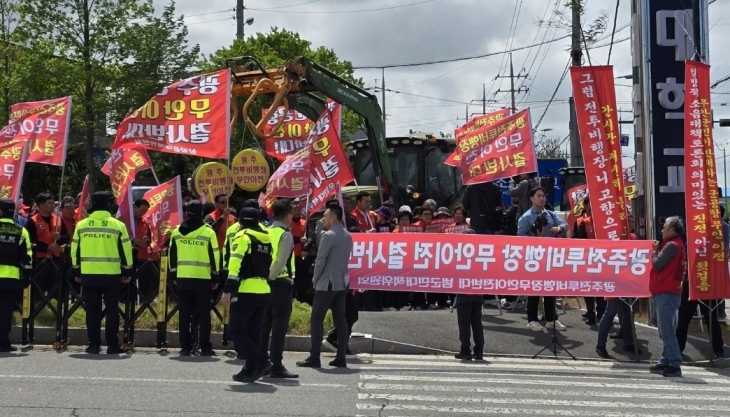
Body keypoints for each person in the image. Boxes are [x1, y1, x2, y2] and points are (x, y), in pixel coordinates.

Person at [70, 192, 133, 354]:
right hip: (111, 274)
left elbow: (75, 250)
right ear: (108, 204)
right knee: (112, 309)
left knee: (92, 310)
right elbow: (126, 251)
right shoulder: (118, 225)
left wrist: (77, 270)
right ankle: (112, 345)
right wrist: (127, 270)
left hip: (89, 274)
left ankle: (93, 345)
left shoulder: (82, 225)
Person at [297, 204, 354, 368]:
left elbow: (321, 260)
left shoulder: (329, 236)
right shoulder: (347, 235)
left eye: (326, 215)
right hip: (342, 282)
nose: (323, 218)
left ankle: (314, 357)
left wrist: (315, 279)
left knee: (316, 318)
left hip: (327, 282)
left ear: (334, 217)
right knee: (340, 320)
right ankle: (341, 357)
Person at [221, 207, 274, 383]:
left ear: (241, 221)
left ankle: (260, 361)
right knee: (253, 332)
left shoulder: (243, 236)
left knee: (235, 330)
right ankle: (249, 369)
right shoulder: (266, 238)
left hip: (245, 290)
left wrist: (228, 290)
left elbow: (234, 265)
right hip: (263, 290)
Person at [168, 200, 220, 356]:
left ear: (186, 213)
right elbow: (215, 256)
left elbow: (172, 256)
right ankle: (205, 347)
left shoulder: (176, 231)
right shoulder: (209, 232)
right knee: (204, 314)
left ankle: (185, 347)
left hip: (183, 278)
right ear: (202, 214)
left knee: (185, 313)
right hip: (203, 279)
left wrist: (173, 275)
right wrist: (215, 277)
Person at [517, 187, 568, 333]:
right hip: (534, 258)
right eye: (538, 196)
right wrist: (534, 238)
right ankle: (532, 320)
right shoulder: (526, 217)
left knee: (550, 288)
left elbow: (565, 225)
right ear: (531, 198)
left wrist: (559, 228)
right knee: (535, 288)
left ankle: (551, 319)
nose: (542, 198)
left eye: (543, 196)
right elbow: (520, 237)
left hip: (551, 257)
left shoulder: (551, 214)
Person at [261, 199, 299, 379]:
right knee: (278, 326)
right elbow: (280, 261)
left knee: (265, 324)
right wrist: (272, 277)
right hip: (280, 282)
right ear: (288, 215)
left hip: (264, 284)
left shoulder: (266, 231)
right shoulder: (285, 234)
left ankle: (261, 361)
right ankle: (276, 364)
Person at [649, 216, 686, 377]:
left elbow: (657, 264)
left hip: (667, 293)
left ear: (672, 230)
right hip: (667, 291)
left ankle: (675, 363)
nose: (662, 229)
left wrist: (654, 251)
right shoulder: (674, 244)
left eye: (664, 227)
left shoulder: (671, 245)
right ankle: (665, 360)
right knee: (665, 330)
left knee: (666, 331)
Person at [0, 200, 33, 352]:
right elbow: (27, 257)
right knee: (6, 311)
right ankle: (3, 342)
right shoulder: (21, 231)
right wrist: (27, 276)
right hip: (10, 278)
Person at [572, 196, 606, 325]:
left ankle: (602, 312)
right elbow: (579, 241)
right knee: (589, 288)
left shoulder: (605, 224)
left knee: (601, 288)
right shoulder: (583, 222)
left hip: (602, 259)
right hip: (588, 260)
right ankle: (590, 313)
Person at [454, 228, 484, 360]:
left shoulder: (460, 256)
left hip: (464, 293)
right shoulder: (481, 255)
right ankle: (479, 350)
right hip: (478, 293)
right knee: (476, 322)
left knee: (464, 323)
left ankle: (465, 350)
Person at [25, 192, 61, 298]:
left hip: (56, 258)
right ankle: (38, 309)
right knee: (38, 287)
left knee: (55, 287)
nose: (52, 205)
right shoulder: (32, 221)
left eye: (53, 203)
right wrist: (46, 247)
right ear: (40, 205)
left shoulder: (58, 219)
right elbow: (30, 240)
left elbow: (67, 237)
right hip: (40, 259)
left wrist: (60, 238)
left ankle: (54, 310)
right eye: (49, 203)